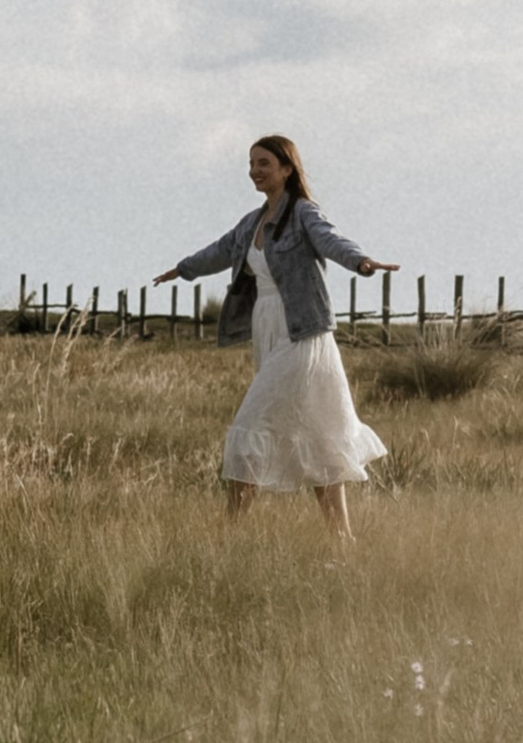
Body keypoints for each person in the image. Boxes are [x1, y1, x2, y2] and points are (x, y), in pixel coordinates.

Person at [156, 136, 397, 539]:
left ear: (287, 168)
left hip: (303, 333)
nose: (255, 170)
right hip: (267, 328)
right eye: (251, 163)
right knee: (318, 432)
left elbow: (330, 240)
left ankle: (227, 531)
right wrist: (183, 270)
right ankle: (342, 539)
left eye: (264, 163)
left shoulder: (303, 212)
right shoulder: (251, 222)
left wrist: (361, 261)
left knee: (250, 425)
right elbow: (221, 250)